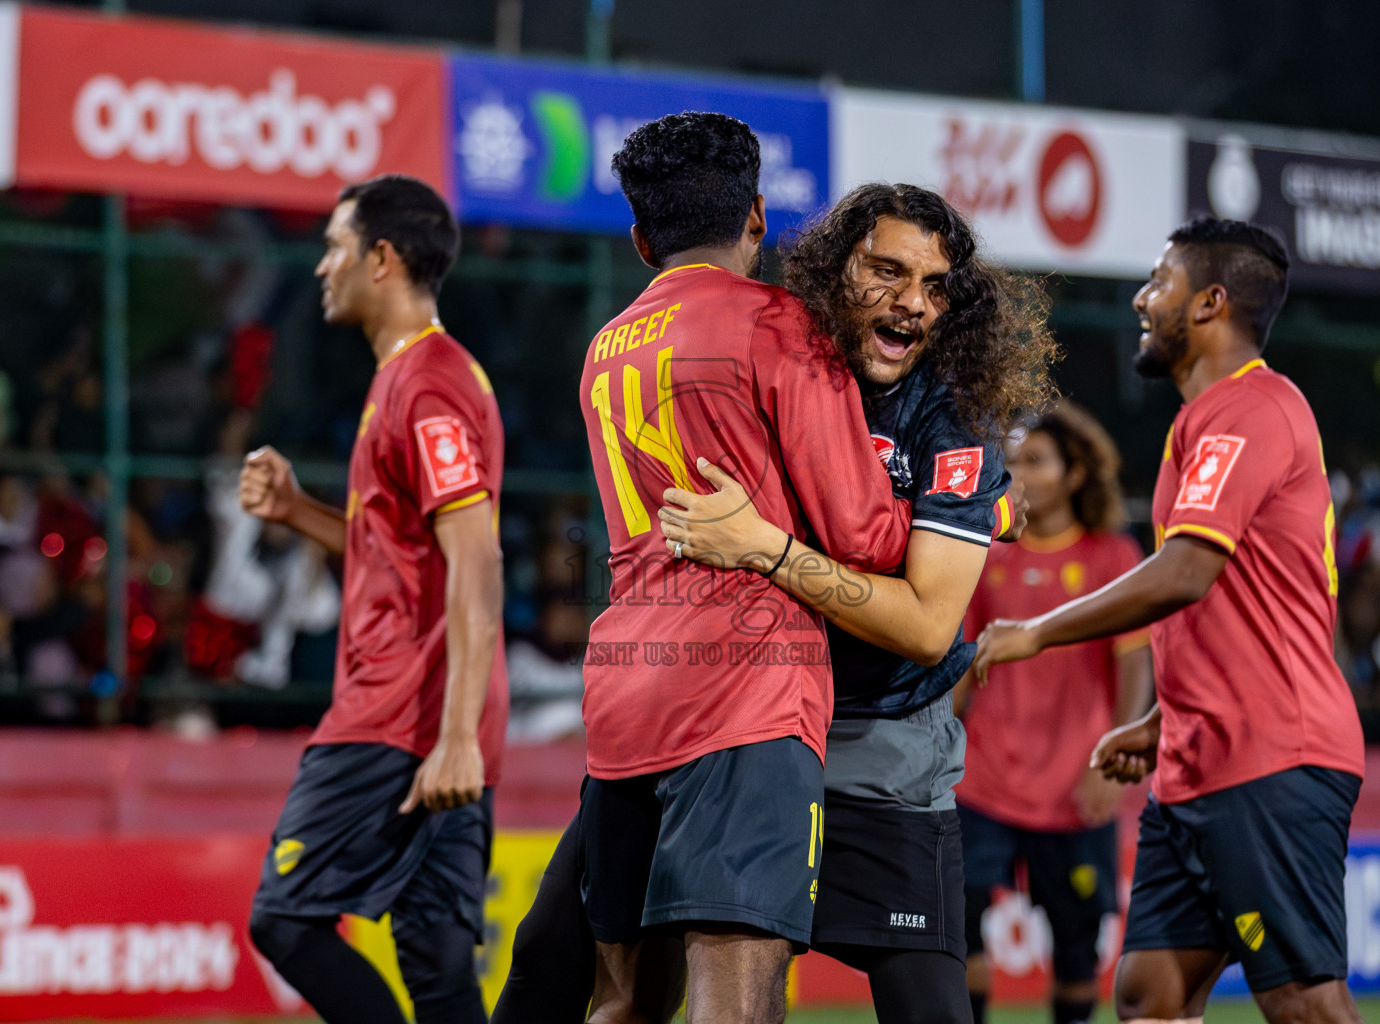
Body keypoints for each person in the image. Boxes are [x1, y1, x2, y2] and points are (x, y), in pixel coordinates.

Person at [973, 218, 1366, 1024]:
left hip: (1271, 759)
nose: (1142, 299)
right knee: (1150, 995)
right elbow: (1248, 600)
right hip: (1196, 762)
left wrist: (1037, 631)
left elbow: (1187, 575)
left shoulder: (1250, 409)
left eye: (1159, 282)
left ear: (1210, 304)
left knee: (1303, 1002)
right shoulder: (1205, 423)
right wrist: (1161, 717)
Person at [573, 115, 914, 1024]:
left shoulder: (602, 350)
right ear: (757, 217)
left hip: (623, 692)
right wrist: (973, 506)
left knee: (622, 1005)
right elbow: (868, 535)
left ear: (643, 240)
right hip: (744, 694)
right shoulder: (777, 325)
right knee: (739, 1002)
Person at [239, 174, 509, 1024]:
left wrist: (456, 737)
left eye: (335, 247)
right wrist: (297, 512)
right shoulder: (414, 378)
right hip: (436, 718)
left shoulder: (426, 387)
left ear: (382, 259)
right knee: (435, 967)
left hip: (401, 717)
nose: (323, 266)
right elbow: (400, 551)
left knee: (284, 920)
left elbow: (476, 561)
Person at [950, 403, 1153, 1024]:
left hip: (1073, 789)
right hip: (981, 783)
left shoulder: (1112, 557)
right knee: (958, 938)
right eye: (1011, 462)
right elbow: (963, 667)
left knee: (1074, 955)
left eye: (1035, 461)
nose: (1019, 474)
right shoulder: (985, 553)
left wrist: (1110, 757)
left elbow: (1135, 668)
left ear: (1074, 475)